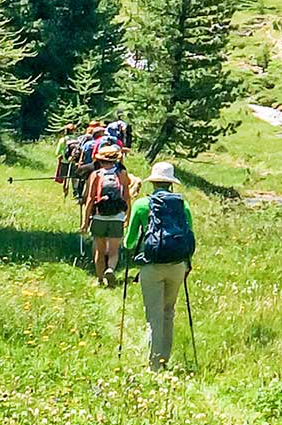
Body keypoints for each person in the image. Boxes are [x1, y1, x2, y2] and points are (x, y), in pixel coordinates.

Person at [126, 161, 196, 369]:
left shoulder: (141, 205)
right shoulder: (183, 205)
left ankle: (155, 364)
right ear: (171, 184)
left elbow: (129, 242)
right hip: (177, 265)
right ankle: (164, 358)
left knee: (153, 315)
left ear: (153, 182)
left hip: (151, 266)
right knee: (168, 312)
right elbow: (189, 236)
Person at [81, 143, 132, 287]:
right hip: (117, 216)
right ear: (115, 159)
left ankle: (99, 279)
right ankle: (110, 269)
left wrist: (85, 221)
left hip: (99, 216)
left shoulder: (95, 174)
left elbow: (90, 199)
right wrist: (127, 214)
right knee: (114, 250)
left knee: (99, 249)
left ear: (100, 160)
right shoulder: (121, 173)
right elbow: (126, 196)